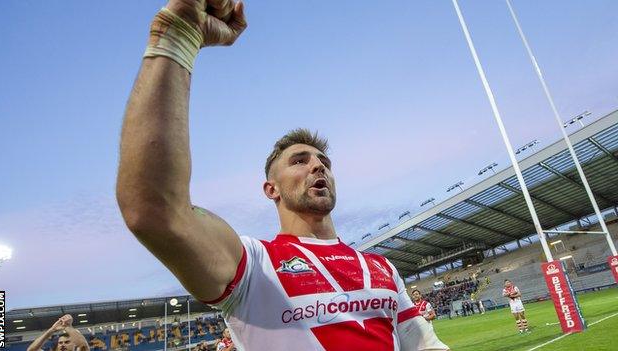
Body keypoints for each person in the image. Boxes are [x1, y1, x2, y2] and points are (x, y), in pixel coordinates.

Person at [116, 1, 449, 350]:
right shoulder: (254, 267)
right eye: (300, 161)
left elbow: (426, 346)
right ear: (270, 189)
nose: (318, 166)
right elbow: (154, 209)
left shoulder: (380, 268)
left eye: (324, 162)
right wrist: (178, 36)